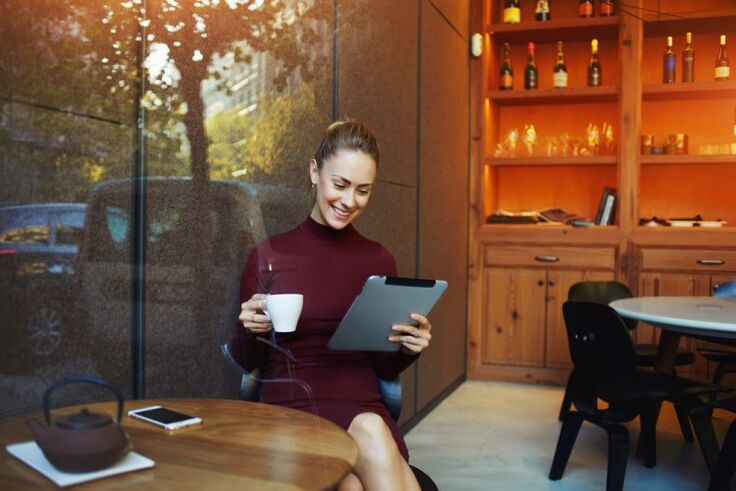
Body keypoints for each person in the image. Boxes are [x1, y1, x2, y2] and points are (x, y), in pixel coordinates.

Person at [231, 120, 432, 490]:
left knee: (368, 436)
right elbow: (248, 362)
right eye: (339, 184)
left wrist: (408, 348)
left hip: (362, 406)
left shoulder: (379, 260)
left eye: (363, 190)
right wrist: (249, 329)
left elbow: (385, 362)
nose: (348, 201)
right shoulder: (269, 254)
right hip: (292, 407)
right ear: (314, 171)